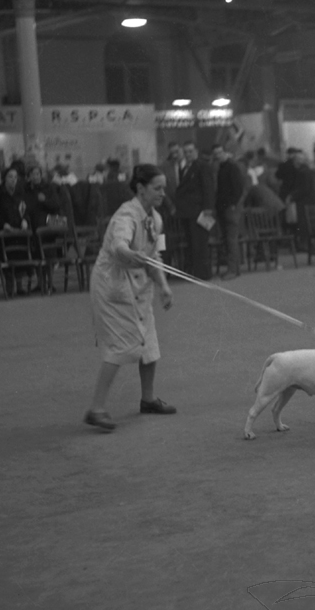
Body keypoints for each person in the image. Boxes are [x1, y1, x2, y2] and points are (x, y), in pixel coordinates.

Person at [84, 164, 175, 432]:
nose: (162, 193)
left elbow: (157, 255)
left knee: (149, 342)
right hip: (113, 287)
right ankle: (96, 409)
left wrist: (164, 286)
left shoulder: (156, 219)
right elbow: (118, 246)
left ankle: (148, 399)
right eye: (157, 188)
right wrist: (129, 253)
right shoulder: (125, 215)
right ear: (140, 189)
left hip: (140, 285)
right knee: (122, 345)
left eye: (164, 188)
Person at [0, 167, 35, 296]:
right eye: (10, 177)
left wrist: (25, 220)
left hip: (18, 231)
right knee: (7, 257)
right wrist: (4, 225)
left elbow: (24, 210)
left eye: (15, 177)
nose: (13, 180)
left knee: (20, 254)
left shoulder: (20, 193)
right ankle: (9, 288)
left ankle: (20, 286)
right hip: (4, 231)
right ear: (4, 178)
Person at [175, 140, 216, 280]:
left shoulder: (202, 166)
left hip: (200, 211)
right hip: (188, 212)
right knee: (192, 243)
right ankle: (196, 272)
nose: (188, 154)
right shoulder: (185, 167)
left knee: (200, 243)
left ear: (196, 152)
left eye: (190, 151)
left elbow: (208, 188)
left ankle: (203, 274)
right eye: (185, 152)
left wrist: (208, 208)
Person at [211, 143, 247, 280]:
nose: (218, 156)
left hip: (230, 209)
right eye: (216, 154)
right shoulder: (222, 167)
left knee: (231, 239)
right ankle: (234, 269)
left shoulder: (231, 167)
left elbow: (238, 188)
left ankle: (232, 270)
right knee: (229, 239)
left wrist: (233, 204)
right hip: (225, 208)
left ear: (225, 152)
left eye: (220, 153)